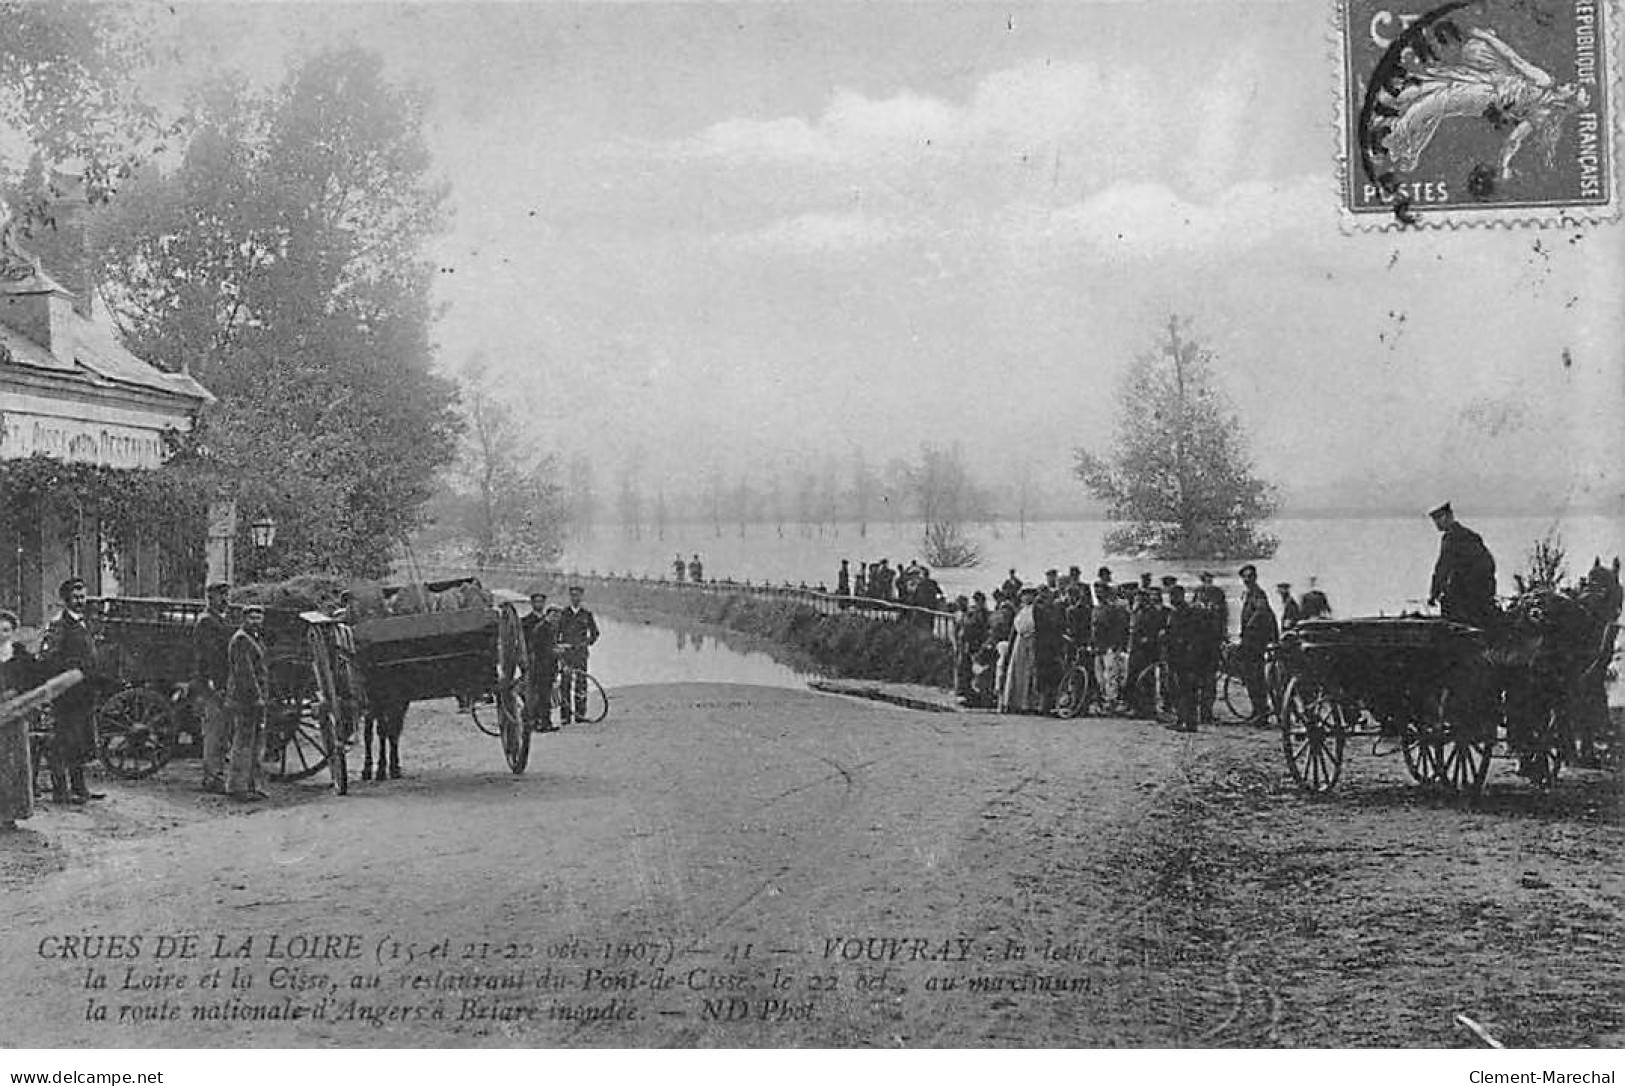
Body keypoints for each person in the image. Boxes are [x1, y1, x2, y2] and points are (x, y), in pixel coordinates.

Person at [39, 578, 103, 804]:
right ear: (65, 599)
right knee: (63, 742)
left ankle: (80, 788)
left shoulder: (84, 623)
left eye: (83, 596)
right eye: (75, 597)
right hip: (67, 693)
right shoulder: (59, 624)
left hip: (83, 693)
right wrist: (69, 672)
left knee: (80, 741)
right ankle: (60, 791)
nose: (80, 601)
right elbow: (49, 659)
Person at [191, 583, 234, 794]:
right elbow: (209, 657)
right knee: (214, 731)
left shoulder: (218, 619)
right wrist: (215, 683)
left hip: (219, 681)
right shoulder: (207, 622)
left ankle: (216, 775)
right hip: (212, 684)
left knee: (221, 731)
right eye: (220, 596)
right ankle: (211, 778)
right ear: (210, 598)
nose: (225, 599)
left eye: (226, 595)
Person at [225, 603, 270, 802]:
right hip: (245, 699)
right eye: (252, 618)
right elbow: (245, 673)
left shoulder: (254, 638)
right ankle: (237, 787)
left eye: (259, 618)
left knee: (255, 742)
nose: (255, 622)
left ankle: (253, 785)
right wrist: (257, 697)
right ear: (244, 619)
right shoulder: (241, 640)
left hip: (253, 698)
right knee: (243, 742)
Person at [1428, 502, 1498, 628]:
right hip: (1483, 587)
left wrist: (1434, 593)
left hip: (1470, 588)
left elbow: (1442, 568)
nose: (1437, 523)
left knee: (1450, 610)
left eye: (1440, 518)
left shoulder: (1452, 538)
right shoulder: (1469, 534)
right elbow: (1489, 562)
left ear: (1450, 516)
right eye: (1435, 519)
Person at [1, 609, 38, 828]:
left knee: (15, 765)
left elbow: (33, 681)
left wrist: (18, 692)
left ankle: (11, 814)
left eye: (6, 630)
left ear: (13, 632)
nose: (1, 635)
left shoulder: (21, 655)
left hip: (15, 716)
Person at [1237, 565, 1279, 725]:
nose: (1247, 580)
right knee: (1250, 677)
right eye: (1244, 577)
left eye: (1250, 577)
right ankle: (1258, 710)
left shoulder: (1258, 593)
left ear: (1255, 577)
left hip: (1255, 642)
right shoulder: (1249, 593)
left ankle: (1262, 712)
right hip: (1250, 641)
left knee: (1256, 677)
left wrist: (1249, 626)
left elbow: (1262, 611)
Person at [1160, 585, 1205, 732]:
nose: (1172, 599)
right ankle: (1181, 720)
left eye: (1174, 596)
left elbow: (1191, 636)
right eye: (1171, 596)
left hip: (1186, 659)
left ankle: (1189, 722)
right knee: (1177, 690)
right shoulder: (1175, 613)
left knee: (1187, 691)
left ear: (1181, 596)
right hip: (1175, 657)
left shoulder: (1188, 613)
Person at [555, 586, 601, 725]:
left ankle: (580, 715)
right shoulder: (563, 614)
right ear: (570, 597)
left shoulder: (586, 614)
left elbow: (595, 633)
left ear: (581, 597)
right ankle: (565, 717)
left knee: (581, 684)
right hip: (566, 654)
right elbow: (556, 633)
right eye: (573, 595)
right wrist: (560, 646)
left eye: (578, 596)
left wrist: (586, 643)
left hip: (581, 654)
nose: (575, 598)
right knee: (565, 684)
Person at [521, 589, 557, 731]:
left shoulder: (548, 622)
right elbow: (528, 643)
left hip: (548, 662)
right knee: (534, 693)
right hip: (535, 662)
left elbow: (550, 642)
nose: (539, 604)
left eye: (541, 602)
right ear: (531, 604)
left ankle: (546, 721)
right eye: (536, 602)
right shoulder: (526, 622)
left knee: (546, 693)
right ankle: (535, 722)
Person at [1126, 587, 1165, 718]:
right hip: (1135, 650)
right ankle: (1137, 707)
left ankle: (1148, 708)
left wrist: (1147, 639)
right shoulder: (1135, 612)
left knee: (1147, 680)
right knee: (1133, 679)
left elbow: (1155, 632)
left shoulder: (1152, 613)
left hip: (1147, 652)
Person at [1001, 588, 1040, 713]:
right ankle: (1015, 701)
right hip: (1020, 640)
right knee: (1018, 671)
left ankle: (1029, 703)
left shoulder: (1036, 609)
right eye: (1024, 595)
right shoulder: (1022, 611)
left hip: (1032, 639)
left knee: (1029, 671)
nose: (1027, 597)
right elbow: (1016, 627)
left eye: (1029, 595)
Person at [1092, 584, 1129, 710]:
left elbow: (1117, 629)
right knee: (1100, 677)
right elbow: (1094, 629)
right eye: (1096, 592)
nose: (1098, 595)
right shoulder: (1096, 609)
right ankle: (1104, 700)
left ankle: (1112, 701)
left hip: (1109, 647)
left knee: (1111, 675)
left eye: (1100, 592)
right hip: (1098, 647)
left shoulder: (1113, 609)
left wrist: (1115, 645)